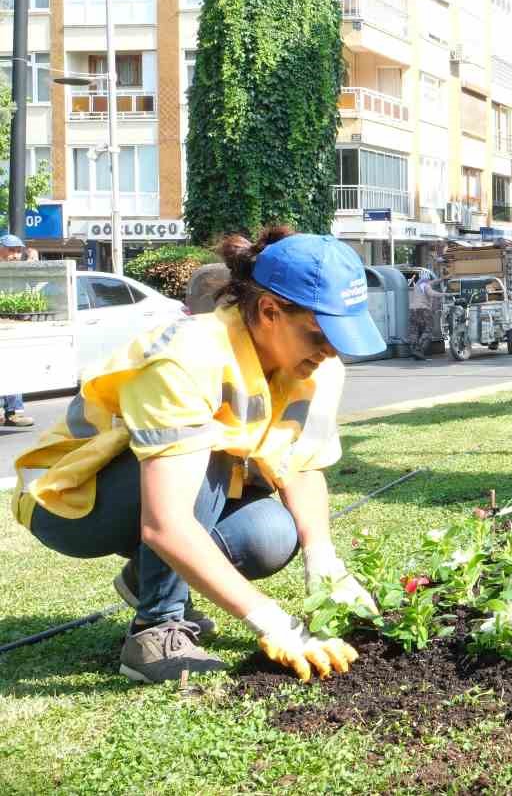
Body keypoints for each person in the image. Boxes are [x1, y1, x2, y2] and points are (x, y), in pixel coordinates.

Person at [11, 228, 387, 684]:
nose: (331, 351)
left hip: (165, 489)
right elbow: (164, 523)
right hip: (70, 499)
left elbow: (302, 466)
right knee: (209, 448)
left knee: (269, 534)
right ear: (269, 311)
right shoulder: (188, 355)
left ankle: (146, 576)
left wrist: (324, 562)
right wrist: (275, 623)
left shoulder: (317, 370)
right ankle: (157, 629)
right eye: (320, 334)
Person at [1, 232, 35, 427]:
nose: (14, 255)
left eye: (17, 251)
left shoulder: (17, 271)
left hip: (12, 328)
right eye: (11, 250)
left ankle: (14, 413)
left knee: (13, 367)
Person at [407, 269, 444, 360]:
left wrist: (442, 278)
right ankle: (420, 350)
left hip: (413, 310)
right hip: (423, 310)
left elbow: (432, 282)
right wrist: (444, 294)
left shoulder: (417, 285)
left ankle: (414, 350)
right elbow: (431, 293)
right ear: (427, 278)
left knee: (414, 331)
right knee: (428, 329)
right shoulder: (426, 285)